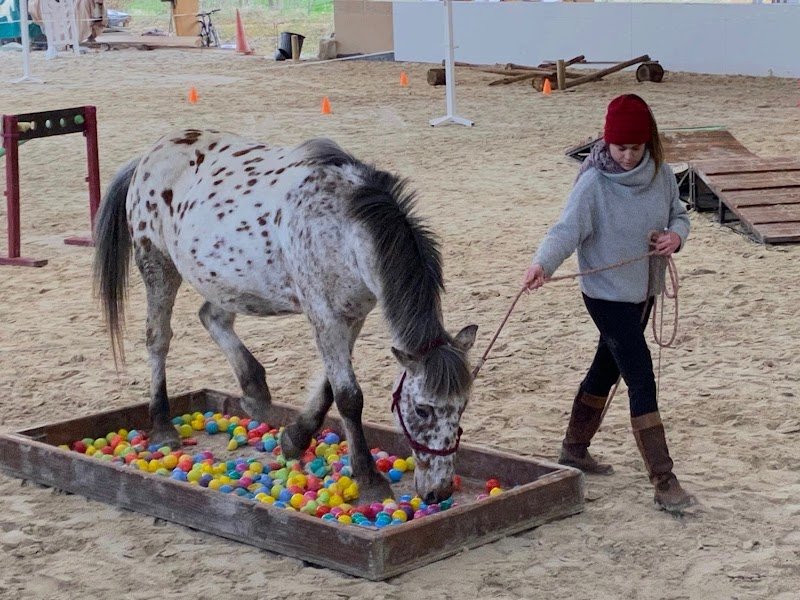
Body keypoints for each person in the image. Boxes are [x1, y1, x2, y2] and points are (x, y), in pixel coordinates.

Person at [522, 94, 693, 513]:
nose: (628, 156)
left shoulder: (662, 174)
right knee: (640, 375)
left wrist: (675, 237)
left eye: (635, 148)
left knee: (606, 368)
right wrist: (542, 263)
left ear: (648, 143)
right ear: (607, 142)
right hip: (604, 295)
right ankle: (664, 480)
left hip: (643, 291)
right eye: (620, 148)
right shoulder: (594, 183)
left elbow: (679, 214)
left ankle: (573, 449)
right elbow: (565, 230)